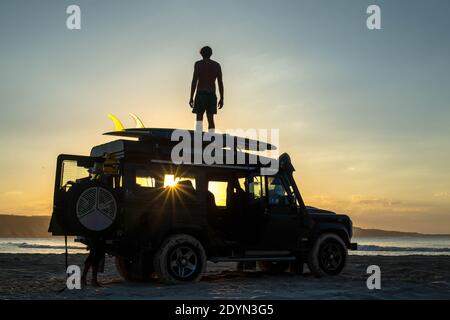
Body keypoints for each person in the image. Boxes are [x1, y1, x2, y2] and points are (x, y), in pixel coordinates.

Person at [189, 46, 224, 132]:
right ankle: (211, 138)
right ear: (211, 53)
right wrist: (222, 98)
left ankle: (198, 138)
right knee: (211, 119)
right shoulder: (216, 65)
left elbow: (194, 81)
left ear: (201, 54)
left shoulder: (198, 64)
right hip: (211, 95)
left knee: (199, 119)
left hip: (201, 94)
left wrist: (191, 97)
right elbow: (220, 83)